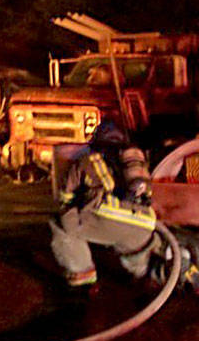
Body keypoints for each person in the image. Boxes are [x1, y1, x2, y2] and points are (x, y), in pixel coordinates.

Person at [49, 120, 156, 288]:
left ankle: (83, 275)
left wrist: (72, 207)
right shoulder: (132, 162)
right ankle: (144, 274)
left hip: (107, 216)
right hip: (145, 222)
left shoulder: (88, 160)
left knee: (60, 224)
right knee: (133, 238)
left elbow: (65, 195)